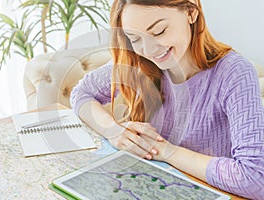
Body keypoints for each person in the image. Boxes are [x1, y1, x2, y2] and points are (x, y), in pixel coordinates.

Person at [70, 0, 264, 199]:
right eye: (135, 39)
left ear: (191, 13)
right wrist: (113, 130)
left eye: (159, 31)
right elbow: (82, 93)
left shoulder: (233, 72)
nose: (149, 50)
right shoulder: (139, 62)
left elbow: (255, 178)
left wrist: (165, 151)